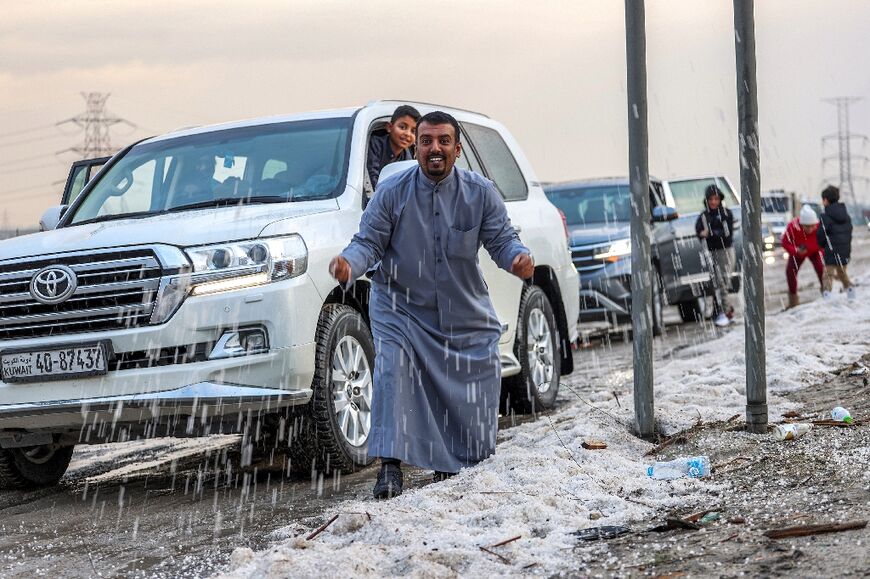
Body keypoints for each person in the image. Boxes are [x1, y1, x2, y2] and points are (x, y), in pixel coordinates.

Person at [329, 111, 533, 499]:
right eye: (426, 141)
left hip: (461, 308)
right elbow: (368, 242)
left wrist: (517, 259)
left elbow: (503, 240)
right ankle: (389, 468)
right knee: (393, 371)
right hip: (400, 306)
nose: (434, 149)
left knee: (476, 370)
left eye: (443, 141)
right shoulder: (393, 192)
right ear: (416, 148)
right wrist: (348, 264)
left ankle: (453, 461)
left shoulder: (480, 192)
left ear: (457, 149)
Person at [694, 184, 735, 327]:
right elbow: (699, 230)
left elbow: (726, 234)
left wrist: (710, 233)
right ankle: (720, 311)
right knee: (715, 282)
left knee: (723, 282)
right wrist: (702, 234)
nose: (713, 202)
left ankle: (725, 311)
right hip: (710, 253)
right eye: (711, 199)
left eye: (716, 199)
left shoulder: (726, 214)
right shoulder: (704, 216)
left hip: (724, 252)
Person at [366, 105, 421, 190]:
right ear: (389, 127)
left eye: (413, 131)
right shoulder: (376, 144)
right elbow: (372, 176)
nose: (407, 134)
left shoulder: (407, 157)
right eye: (402, 127)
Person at [781, 205, 824, 308]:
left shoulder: (820, 226)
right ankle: (793, 301)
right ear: (801, 224)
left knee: (822, 269)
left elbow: (825, 242)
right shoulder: (793, 226)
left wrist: (823, 253)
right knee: (790, 272)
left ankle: (827, 292)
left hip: (815, 251)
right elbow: (785, 242)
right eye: (807, 226)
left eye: (812, 226)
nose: (810, 229)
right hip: (798, 251)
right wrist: (796, 251)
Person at [816, 185, 854, 299]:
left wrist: (823, 245)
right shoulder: (846, 215)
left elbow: (821, 235)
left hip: (831, 251)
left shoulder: (825, 216)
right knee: (842, 274)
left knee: (827, 276)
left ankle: (827, 298)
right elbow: (849, 231)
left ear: (825, 200)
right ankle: (851, 293)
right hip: (844, 250)